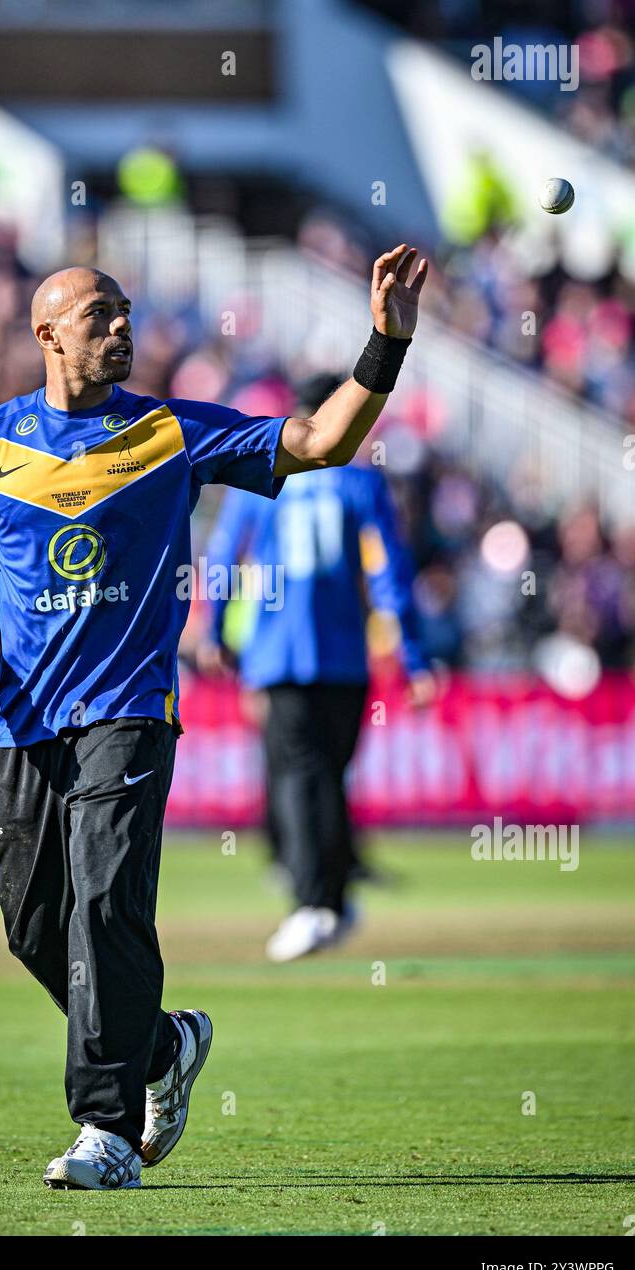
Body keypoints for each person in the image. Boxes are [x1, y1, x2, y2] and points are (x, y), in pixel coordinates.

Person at [0, 244, 428, 1190]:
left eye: (124, 312)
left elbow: (320, 441)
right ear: (47, 335)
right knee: (32, 925)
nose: (122, 327)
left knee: (108, 908)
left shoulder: (170, 432)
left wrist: (384, 342)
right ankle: (161, 1045)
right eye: (99, 316)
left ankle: (105, 1129)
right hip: (26, 721)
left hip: (129, 711)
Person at [198, 374, 436, 961]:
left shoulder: (260, 478)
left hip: (278, 657)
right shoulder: (362, 484)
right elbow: (390, 574)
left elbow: (225, 556)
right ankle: (331, 897)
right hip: (344, 659)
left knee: (298, 779)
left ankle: (314, 905)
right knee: (326, 775)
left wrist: (212, 633)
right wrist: (411, 657)